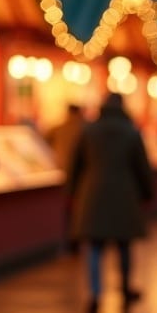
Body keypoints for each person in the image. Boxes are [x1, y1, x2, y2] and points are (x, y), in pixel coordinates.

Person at [66, 92, 154, 313]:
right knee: (124, 246)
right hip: (125, 195)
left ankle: (95, 294)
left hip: (92, 195)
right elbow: (142, 167)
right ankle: (124, 288)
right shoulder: (132, 132)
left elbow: (75, 165)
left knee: (94, 248)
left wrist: (72, 193)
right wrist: (148, 193)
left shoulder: (88, 130)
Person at [44, 103, 86, 251]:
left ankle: (69, 242)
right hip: (82, 176)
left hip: (63, 172)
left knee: (68, 210)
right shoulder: (85, 129)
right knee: (79, 210)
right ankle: (76, 241)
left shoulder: (58, 128)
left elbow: (44, 140)